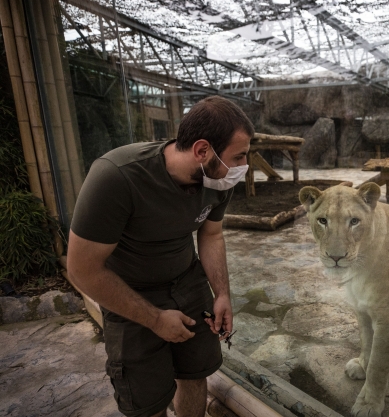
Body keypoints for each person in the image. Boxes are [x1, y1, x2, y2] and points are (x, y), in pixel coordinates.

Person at [67, 96, 254, 417]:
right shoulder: (116, 176)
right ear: (202, 151)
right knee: (147, 400)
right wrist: (154, 319)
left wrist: (222, 293)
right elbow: (82, 270)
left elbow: (210, 234)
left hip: (188, 282)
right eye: (238, 157)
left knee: (195, 377)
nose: (242, 168)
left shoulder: (217, 178)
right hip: (128, 293)